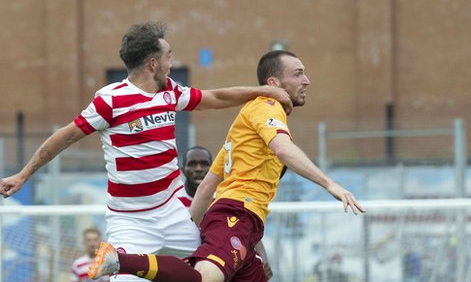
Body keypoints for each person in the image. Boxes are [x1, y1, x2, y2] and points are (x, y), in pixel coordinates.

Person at [0, 21, 292, 282]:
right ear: (153, 63)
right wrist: (24, 174)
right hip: (131, 221)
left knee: (221, 267)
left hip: (175, 210)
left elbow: (214, 97)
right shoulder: (110, 100)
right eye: (168, 56)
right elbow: (64, 137)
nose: (171, 62)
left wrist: (263, 91)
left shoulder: (170, 93)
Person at [88, 50, 366, 282]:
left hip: (245, 221)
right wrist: (330, 184)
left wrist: (191, 231)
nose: (306, 80)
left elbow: (209, 184)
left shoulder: (245, 125)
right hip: (236, 214)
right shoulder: (267, 105)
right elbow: (282, 149)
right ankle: (118, 260)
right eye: (298, 73)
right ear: (273, 83)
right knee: (201, 279)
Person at [177, 146, 273, 279]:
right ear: (183, 169)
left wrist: (263, 256)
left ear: (213, 168)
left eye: (204, 164)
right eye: (192, 164)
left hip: (217, 261)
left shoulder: (223, 198)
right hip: (182, 259)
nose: (198, 169)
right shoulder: (174, 199)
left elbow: (244, 230)